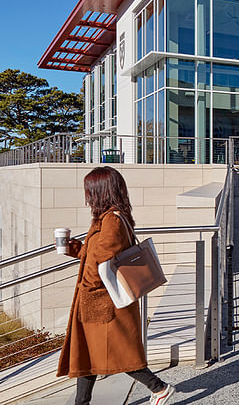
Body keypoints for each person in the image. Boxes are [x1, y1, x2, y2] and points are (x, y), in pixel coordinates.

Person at [58, 166, 176, 405]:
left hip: (104, 302)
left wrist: (88, 285)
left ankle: (159, 388)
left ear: (101, 191)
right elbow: (97, 254)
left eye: (90, 190)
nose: (87, 196)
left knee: (119, 353)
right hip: (100, 301)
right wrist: (76, 249)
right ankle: (82, 402)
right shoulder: (110, 217)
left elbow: (100, 258)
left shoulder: (111, 220)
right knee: (88, 353)